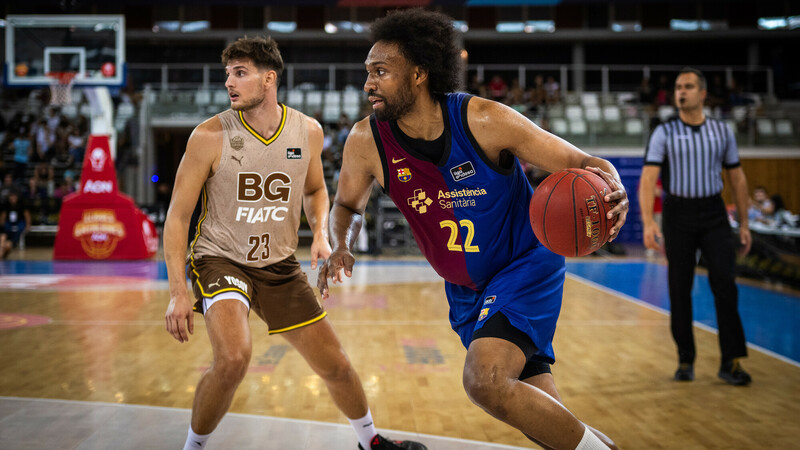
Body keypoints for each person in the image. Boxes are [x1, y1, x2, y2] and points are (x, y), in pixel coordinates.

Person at [318, 9, 628, 450]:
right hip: (465, 290)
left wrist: (614, 187)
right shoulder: (366, 141)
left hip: (524, 267)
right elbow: (347, 205)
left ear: (420, 73)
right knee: (540, 415)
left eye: (381, 72)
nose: (368, 84)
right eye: (368, 72)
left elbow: (582, 164)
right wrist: (341, 244)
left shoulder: (483, 120)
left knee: (485, 380)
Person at [163, 36, 426, 450]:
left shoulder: (307, 131)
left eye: (240, 72)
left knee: (336, 365)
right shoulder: (208, 136)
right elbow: (177, 218)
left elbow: (316, 191)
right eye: (227, 74)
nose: (229, 82)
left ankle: (370, 442)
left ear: (269, 79)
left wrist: (320, 233)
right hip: (220, 259)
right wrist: (178, 291)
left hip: (279, 265)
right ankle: (192, 447)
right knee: (233, 357)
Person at [639, 67, 753, 386]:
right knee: (679, 288)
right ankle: (685, 358)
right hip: (678, 214)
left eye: (688, 86)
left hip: (715, 213)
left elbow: (737, 177)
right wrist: (649, 222)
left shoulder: (722, 131)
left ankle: (730, 361)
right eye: (678, 87)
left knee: (726, 285)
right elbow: (648, 178)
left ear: (702, 94)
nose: (681, 92)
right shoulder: (664, 132)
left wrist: (744, 223)